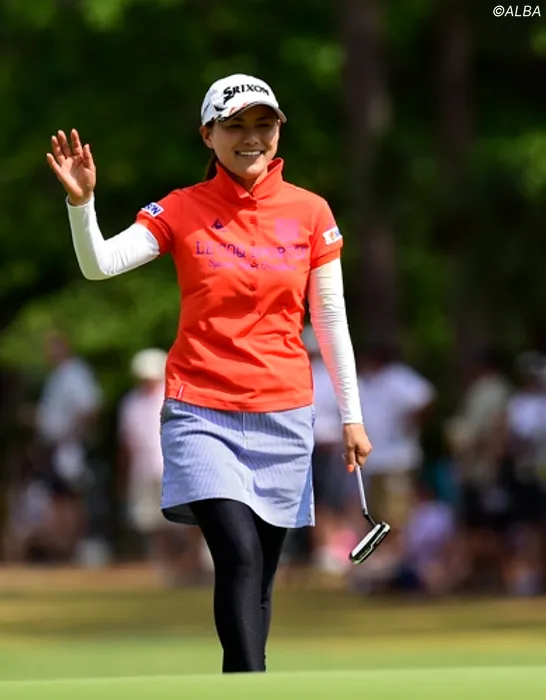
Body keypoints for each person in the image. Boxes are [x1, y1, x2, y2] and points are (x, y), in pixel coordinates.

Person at [46, 73, 371, 673]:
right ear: (208, 135)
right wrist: (82, 204)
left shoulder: (310, 211)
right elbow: (100, 264)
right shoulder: (182, 207)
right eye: (235, 125)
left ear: (278, 132)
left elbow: (330, 320)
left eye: (264, 124)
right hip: (201, 410)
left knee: (261, 574)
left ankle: (245, 681)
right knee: (239, 555)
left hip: (285, 412)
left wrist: (351, 416)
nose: (252, 137)